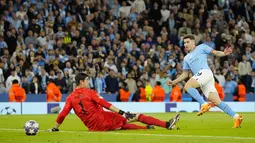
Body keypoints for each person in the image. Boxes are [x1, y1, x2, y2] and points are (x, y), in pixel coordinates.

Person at [48, 73, 180, 132]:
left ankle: (146, 127)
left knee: (121, 124)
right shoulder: (89, 92)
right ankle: (167, 124)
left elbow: (63, 114)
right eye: (87, 80)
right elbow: (105, 104)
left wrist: (55, 128)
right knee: (137, 116)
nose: (89, 82)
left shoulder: (70, 98)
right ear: (81, 82)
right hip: (104, 120)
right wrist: (122, 112)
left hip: (93, 128)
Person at [167, 34, 243, 128]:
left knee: (187, 86)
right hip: (204, 79)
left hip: (205, 72)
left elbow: (215, 52)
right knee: (216, 102)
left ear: (193, 42)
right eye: (184, 43)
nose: (185, 44)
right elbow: (185, 74)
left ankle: (203, 104)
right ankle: (237, 117)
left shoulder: (201, 47)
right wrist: (173, 82)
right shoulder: (186, 58)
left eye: (187, 42)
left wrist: (224, 53)